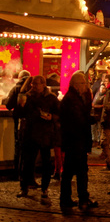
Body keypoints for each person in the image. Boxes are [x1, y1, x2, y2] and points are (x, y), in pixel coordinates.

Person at [16, 75, 60, 202]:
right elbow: (19, 113)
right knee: (27, 162)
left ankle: (44, 189)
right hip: (30, 133)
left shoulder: (51, 98)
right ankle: (24, 187)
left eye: (36, 84)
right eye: (33, 84)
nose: (34, 86)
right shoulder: (27, 97)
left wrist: (51, 117)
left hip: (45, 134)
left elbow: (59, 113)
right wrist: (21, 105)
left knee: (46, 163)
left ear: (43, 84)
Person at [59, 71, 95, 211]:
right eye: (83, 83)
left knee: (70, 171)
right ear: (76, 85)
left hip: (73, 141)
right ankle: (82, 199)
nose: (85, 85)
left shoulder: (75, 98)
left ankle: (67, 198)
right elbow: (78, 120)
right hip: (76, 141)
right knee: (80, 171)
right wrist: (90, 119)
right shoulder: (72, 99)